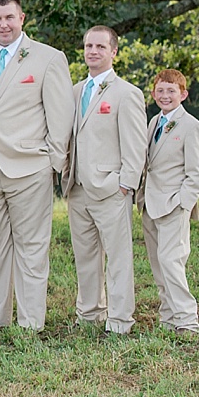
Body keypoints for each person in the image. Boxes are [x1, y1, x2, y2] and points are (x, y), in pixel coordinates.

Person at [0, 0, 73, 331]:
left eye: (9, 17)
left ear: (22, 18)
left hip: (30, 166)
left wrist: (54, 163)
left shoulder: (48, 58)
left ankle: (30, 323)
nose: (3, 24)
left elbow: (61, 115)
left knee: (31, 248)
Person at [64, 26, 147, 335]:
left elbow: (136, 144)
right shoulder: (74, 91)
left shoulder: (127, 93)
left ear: (114, 52)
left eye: (100, 46)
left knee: (118, 258)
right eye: (88, 46)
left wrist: (126, 183)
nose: (93, 51)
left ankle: (120, 320)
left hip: (112, 188)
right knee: (85, 257)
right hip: (78, 189)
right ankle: (89, 315)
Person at [138, 69, 199, 335]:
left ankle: (188, 320)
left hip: (173, 205)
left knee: (171, 261)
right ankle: (168, 318)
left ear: (183, 94)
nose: (165, 95)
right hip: (149, 204)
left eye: (171, 91)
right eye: (161, 90)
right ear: (154, 93)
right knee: (157, 264)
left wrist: (183, 204)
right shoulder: (154, 121)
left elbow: (196, 172)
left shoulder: (192, 126)